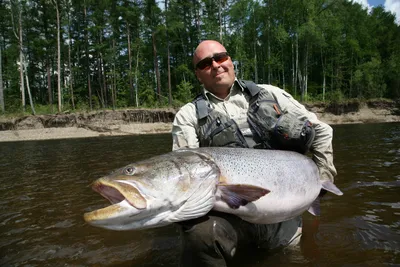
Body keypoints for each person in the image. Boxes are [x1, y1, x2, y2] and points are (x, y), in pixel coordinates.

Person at [171, 40, 337, 267]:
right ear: (198, 74)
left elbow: (322, 130)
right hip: (233, 217)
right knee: (198, 234)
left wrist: (324, 176)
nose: (216, 65)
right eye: (206, 63)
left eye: (220, 57)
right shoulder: (188, 115)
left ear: (231, 61)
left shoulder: (271, 93)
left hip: (284, 212)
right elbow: (183, 170)